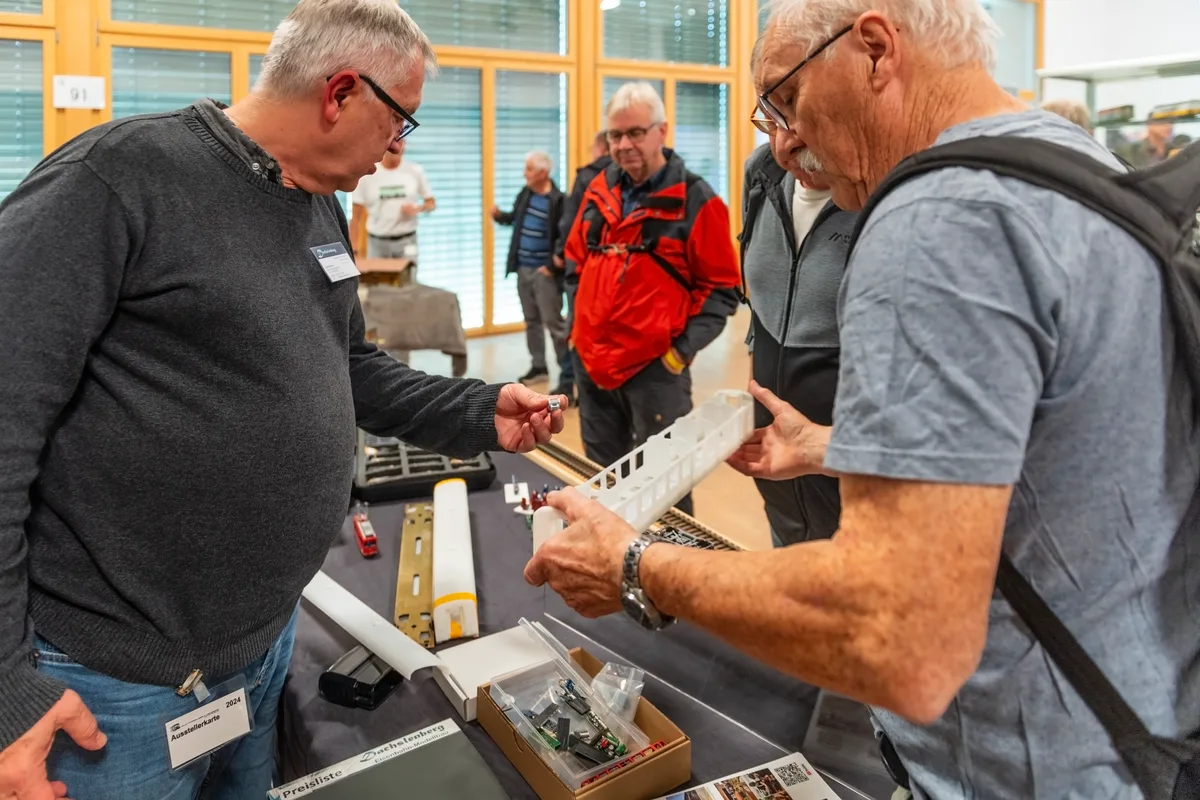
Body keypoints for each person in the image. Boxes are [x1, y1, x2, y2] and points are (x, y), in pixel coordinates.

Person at [527, 1, 1200, 797]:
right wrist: (827, 446)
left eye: (786, 102)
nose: (779, 142)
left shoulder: (935, 220)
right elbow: (1051, 446)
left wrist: (634, 564)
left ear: (875, 49)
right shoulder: (1061, 160)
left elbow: (896, 639)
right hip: (1140, 729)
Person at [0, 1, 567, 798]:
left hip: (261, 647)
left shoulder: (317, 202)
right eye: (399, 121)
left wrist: (477, 413)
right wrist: (6, 695)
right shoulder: (114, 181)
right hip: (114, 682)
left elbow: (353, 367)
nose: (397, 150)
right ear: (340, 93)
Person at [563, 82, 740, 516]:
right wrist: (578, 333)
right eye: (615, 136)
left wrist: (676, 357)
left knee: (667, 490)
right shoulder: (598, 191)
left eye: (635, 133)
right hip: (593, 366)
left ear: (662, 131)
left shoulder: (698, 202)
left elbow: (722, 291)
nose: (623, 145)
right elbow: (575, 262)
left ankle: (670, 577)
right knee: (602, 483)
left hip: (655, 374)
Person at [735, 36, 858, 547]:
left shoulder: (879, 193)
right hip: (776, 447)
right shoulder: (760, 174)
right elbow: (758, 299)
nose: (784, 144)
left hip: (847, 456)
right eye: (772, 117)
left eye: (798, 114)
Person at [492, 151, 567, 386]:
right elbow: (515, 218)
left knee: (554, 324)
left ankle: (567, 375)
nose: (525, 174)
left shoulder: (559, 201)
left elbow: (564, 237)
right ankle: (539, 367)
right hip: (523, 268)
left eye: (529, 169)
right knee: (531, 320)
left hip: (545, 274)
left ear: (543, 173)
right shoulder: (525, 194)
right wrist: (499, 216)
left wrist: (551, 266)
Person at [552, 130, 613, 402]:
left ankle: (568, 383)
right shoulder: (633, 178)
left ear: (600, 148)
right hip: (613, 270)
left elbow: (570, 220)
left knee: (576, 325)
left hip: (583, 266)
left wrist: (560, 253)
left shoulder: (588, 176)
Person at [350, 138, 435, 280]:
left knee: (408, 286)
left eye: (402, 143)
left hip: (407, 241)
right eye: (395, 143)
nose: (398, 148)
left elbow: (431, 203)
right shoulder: (368, 174)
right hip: (378, 243)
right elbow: (356, 217)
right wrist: (354, 250)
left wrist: (418, 209)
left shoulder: (415, 171)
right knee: (378, 289)